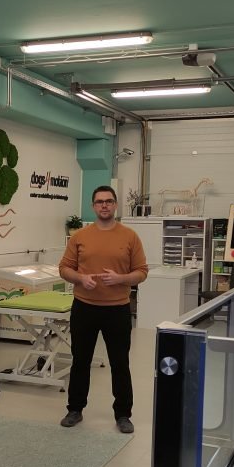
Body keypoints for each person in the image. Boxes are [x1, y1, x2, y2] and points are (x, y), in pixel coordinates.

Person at [58, 185, 148, 434]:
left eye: (108, 201)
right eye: (99, 202)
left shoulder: (129, 236)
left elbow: (142, 272)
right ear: (93, 206)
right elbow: (64, 268)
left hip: (117, 310)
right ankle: (75, 409)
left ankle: (123, 414)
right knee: (80, 361)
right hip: (84, 308)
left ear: (115, 205)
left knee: (120, 363)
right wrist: (79, 278)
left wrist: (121, 279)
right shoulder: (80, 236)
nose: (104, 205)